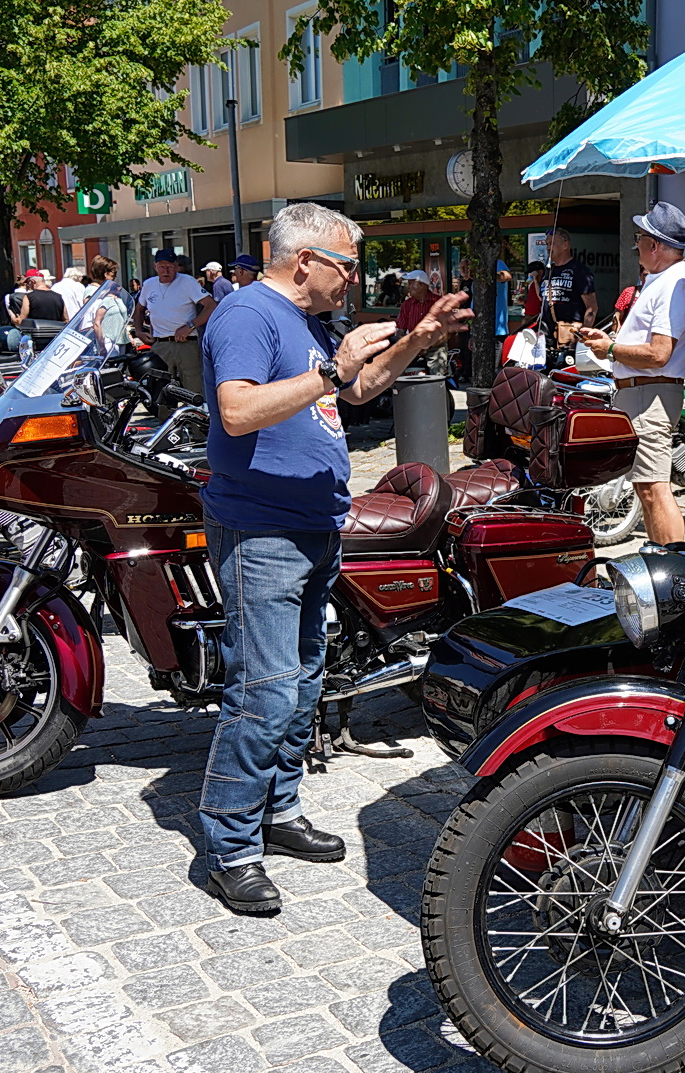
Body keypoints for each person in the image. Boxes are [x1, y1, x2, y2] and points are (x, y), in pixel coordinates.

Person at [197, 202, 470, 913]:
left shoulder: (306, 322)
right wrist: (328, 371)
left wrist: (416, 340)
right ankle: (230, 847)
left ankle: (278, 809)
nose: (353, 277)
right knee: (263, 690)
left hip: (310, 527)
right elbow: (237, 410)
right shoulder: (247, 315)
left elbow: (355, 388)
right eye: (347, 264)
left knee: (305, 681)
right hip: (262, 532)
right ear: (305, 260)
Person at [574, 202, 685, 546]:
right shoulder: (667, 281)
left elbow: (660, 353)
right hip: (643, 391)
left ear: (654, 245)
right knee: (647, 486)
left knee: (654, 485)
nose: (636, 246)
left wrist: (611, 350)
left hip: (650, 393)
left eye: (640, 238)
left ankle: (672, 567)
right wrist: (611, 343)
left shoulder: (675, 283)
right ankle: (662, 563)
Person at [133, 248, 215, 396]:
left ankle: (195, 417)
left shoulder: (187, 282)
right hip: (160, 343)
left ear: (176, 266)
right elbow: (138, 309)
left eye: (170, 266)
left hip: (185, 343)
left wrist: (190, 326)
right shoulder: (149, 284)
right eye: (162, 266)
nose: (166, 270)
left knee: (193, 388)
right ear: (155, 266)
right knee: (161, 389)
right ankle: (164, 419)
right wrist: (139, 331)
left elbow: (211, 306)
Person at [543, 228, 597, 331]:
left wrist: (584, 333)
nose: (548, 248)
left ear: (565, 245)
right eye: (547, 244)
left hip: (569, 334)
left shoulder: (579, 270)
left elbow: (592, 307)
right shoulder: (548, 271)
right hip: (546, 333)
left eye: (552, 243)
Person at [86, 254, 129, 352]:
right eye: (113, 274)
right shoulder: (93, 292)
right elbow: (93, 318)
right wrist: (101, 345)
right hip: (105, 339)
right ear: (105, 273)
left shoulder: (107, 291)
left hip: (117, 338)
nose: (115, 277)